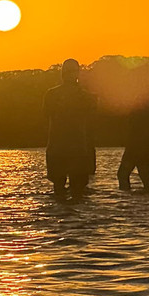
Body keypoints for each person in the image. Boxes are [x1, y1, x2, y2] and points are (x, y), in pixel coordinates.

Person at [44, 58, 96, 198]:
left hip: (64, 148)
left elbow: (45, 116)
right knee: (76, 192)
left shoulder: (52, 94)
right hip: (72, 148)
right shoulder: (85, 96)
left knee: (61, 190)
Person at [118, 105, 149, 191]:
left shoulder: (140, 114)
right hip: (144, 147)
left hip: (136, 147)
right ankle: (148, 193)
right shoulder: (145, 112)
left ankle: (126, 194)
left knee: (123, 174)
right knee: (144, 175)